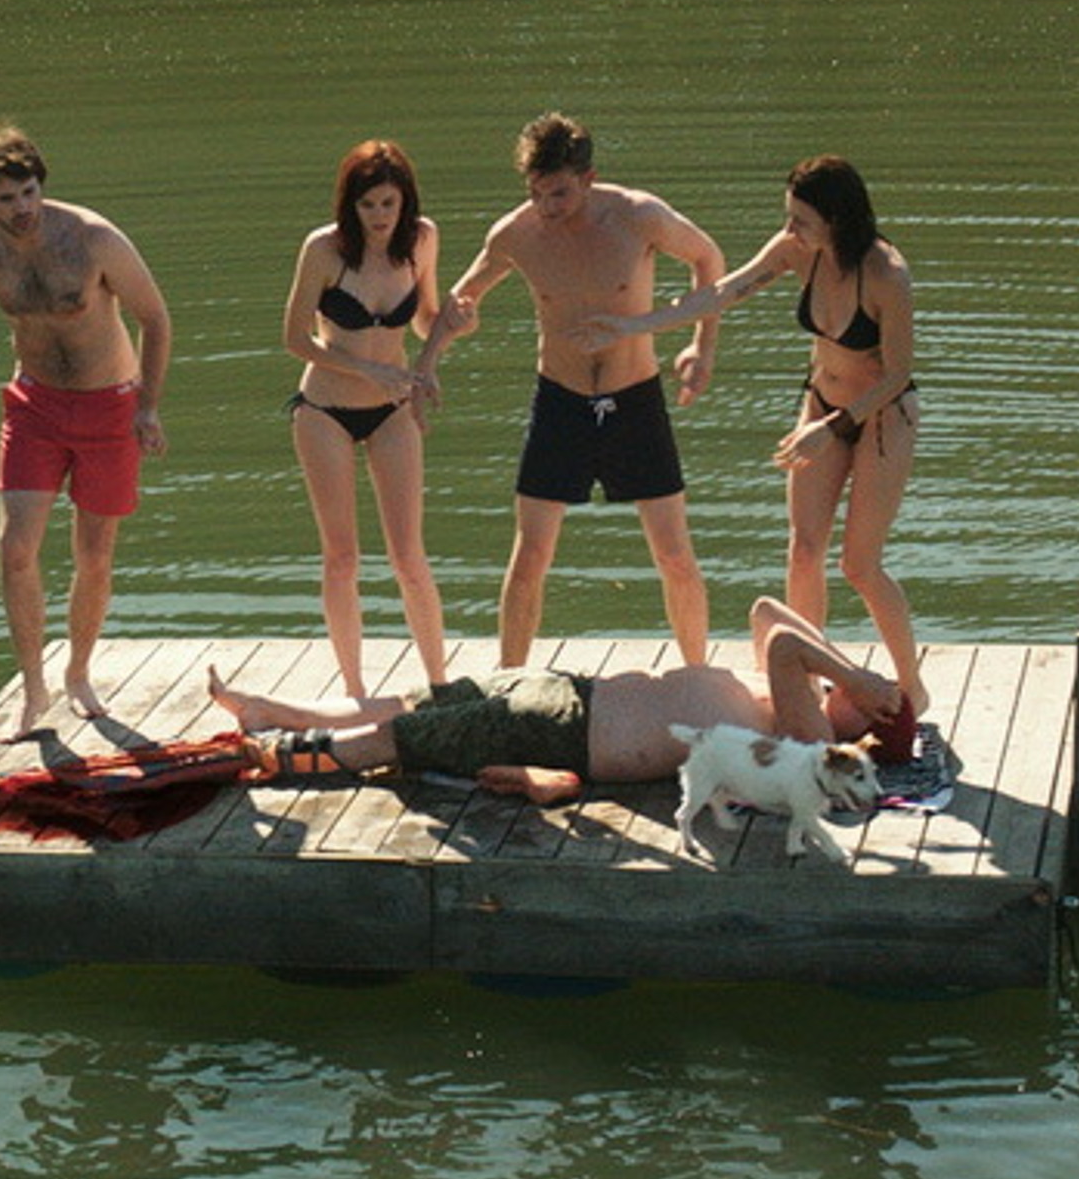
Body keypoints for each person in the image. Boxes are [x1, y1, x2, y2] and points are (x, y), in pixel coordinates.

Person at [577, 154, 924, 714]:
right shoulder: (795, 252)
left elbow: (901, 372)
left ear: (835, 220)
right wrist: (633, 325)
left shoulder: (886, 274)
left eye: (800, 221)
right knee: (804, 550)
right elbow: (723, 292)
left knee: (859, 564)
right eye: (788, 218)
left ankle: (912, 687)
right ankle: (807, 683)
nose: (789, 231)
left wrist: (833, 427)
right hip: (822, 403)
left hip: (881, 417)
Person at [422, 112, 729, 670]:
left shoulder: (638, 216)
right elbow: (456, 304)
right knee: (530, 555)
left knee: (675, 554)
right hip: (560, 400)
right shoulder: (515, 233)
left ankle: (696, 674)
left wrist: (701, 349)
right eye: (536, 193)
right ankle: (508, 681)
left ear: (588, 178)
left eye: (559, 193)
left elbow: (709, 259)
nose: (547, 207)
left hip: (634, 398)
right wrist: (434, 355)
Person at [0, 123, 174, 740]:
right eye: (6, 198)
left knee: (93, 556)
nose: (22, 209)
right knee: (16, 550)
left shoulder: (92, 238)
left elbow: (155, 319)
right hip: (34, 407)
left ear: (42, 186)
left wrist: (147, 406)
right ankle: (33, 691)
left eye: (29, 192)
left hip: (109, 407)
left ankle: (79, 672)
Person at [207, 595, 908, 806]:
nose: (855, 686)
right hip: (565, 691)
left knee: (400, 740)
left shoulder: (812, 750)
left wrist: (862, 684)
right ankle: (279, 712)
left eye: (869, 699)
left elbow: (786, 647)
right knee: (409, 701)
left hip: (562, 734)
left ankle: (275, 759)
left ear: (869, 726)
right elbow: (766, 615)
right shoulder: (794, 698)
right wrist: (852, 676)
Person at [282, 140, 450, 697]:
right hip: (325, 410)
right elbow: (293, 338)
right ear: (349, 206)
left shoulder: (421, 240)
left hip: (393, 409)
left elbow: (425, 321)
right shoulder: (325, 250)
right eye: (368, 206)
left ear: (405, 203)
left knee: (409, 555)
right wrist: (361, 368)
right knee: (342, 555)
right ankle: (355, 690)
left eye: (388, 204)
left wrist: (453, 328)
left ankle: (439, 681)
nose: (379, 217)